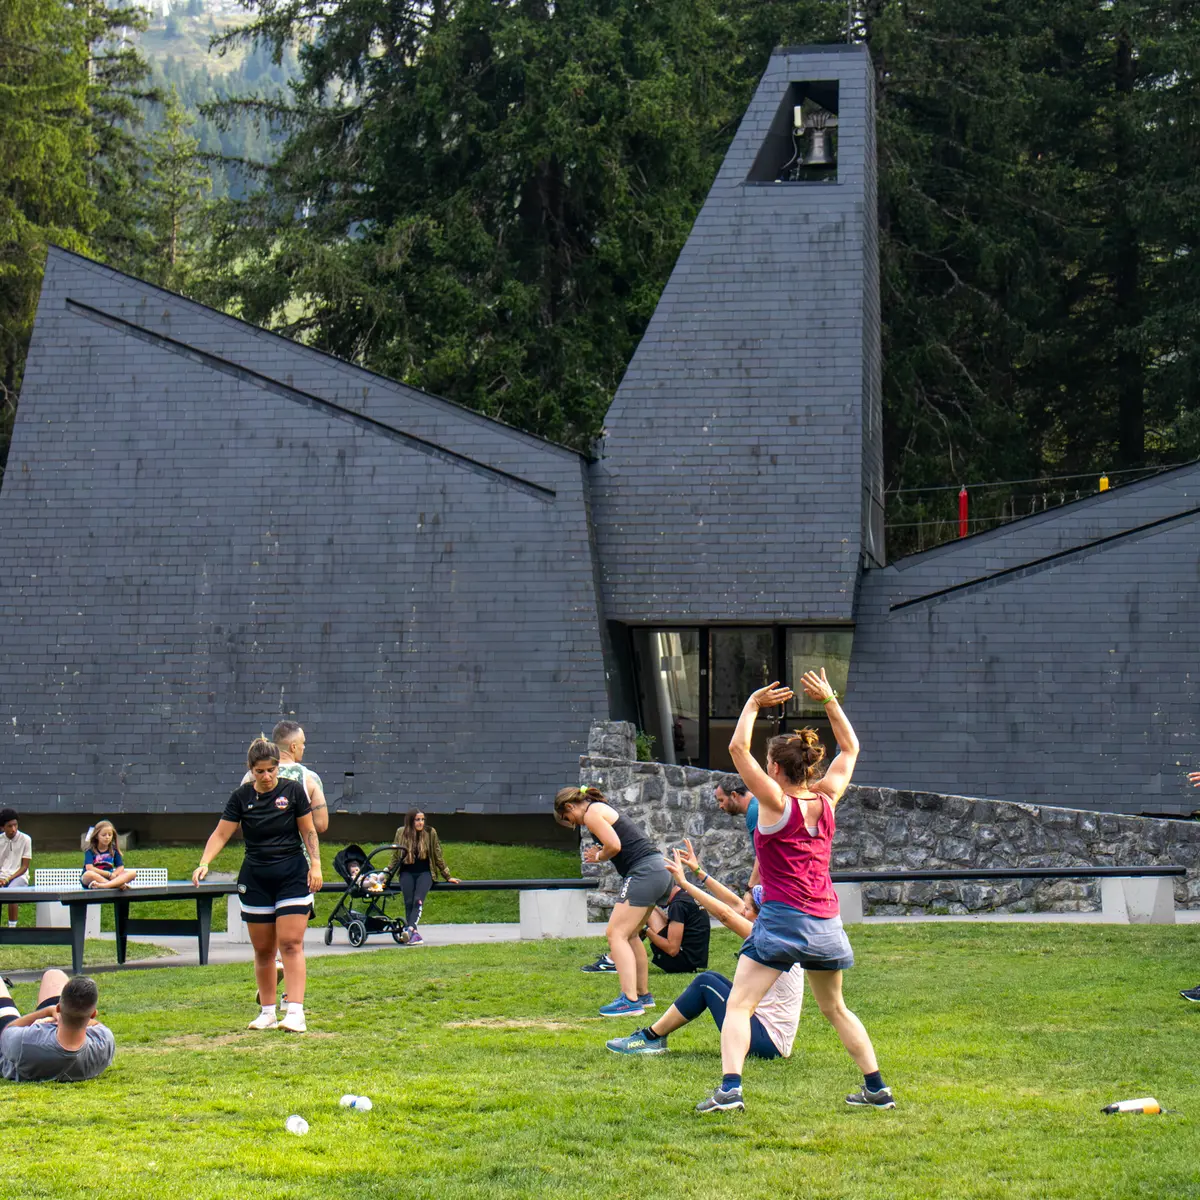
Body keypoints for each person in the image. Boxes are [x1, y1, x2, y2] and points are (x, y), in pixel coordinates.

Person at [695, 670, 895, 1114]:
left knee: (740, 1005)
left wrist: (750, 702)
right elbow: (851, 748)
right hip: (826, 919)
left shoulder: (773, 802)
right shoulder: (826, 798)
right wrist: (829, 699)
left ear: (774, 769)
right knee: (836, 1008)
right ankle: (876, 1087)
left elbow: (735, 748)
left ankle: (730, 1089)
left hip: (783, 920)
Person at [608, 848, 802, 1060]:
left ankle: (651, 1037)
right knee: (712, 979)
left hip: (767, 1042)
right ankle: (652, 1036)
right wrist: (700, 873)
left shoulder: (770, 937)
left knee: (706, 983)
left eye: (748, 910)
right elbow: (735, 906)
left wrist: (685, 884)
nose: (743, 913)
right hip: (760, 1029)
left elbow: (726, 915)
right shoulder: (776, 928)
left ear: (760, 915)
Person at [193, 736, 322, 1033]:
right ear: (251, 770)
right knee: (263, 949)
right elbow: (221, 834)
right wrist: (204, 862)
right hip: (256, 878)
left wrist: (316, 865)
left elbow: (309, 831)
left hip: (292, 875)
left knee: (290, 944)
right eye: (260, 771)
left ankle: (296, 1012)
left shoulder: (293, 792)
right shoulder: (240, 798)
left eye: (271, 770)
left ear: (278, 768)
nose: (266, 777)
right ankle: (267, 1012)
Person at [555, 785, 672, 1017]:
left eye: (569, 818)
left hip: (644, 872)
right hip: (659, 869)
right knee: (629, 935)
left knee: (615, 934)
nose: (574, 823)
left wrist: (599, 856)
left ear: (569, 806)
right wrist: (602, 852)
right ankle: (642, 995)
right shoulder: (599, 809)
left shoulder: (591, 814)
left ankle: (629, 1001)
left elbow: (615, 845)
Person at [0, 970, 115, 1082]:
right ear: (93, 1014)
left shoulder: (25, 1041)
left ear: (58, 1008)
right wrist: (58, 1019)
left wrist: (47, 1012)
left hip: (12, 1053)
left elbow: (7, 1030)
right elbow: (97, 1025)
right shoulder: (104, 1041)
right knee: (54, 974)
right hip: (59, 1027)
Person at [387, 809, 460, 946]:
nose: (421, 822)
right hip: (406, 871)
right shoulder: (400, 832)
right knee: (408, 901)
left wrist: (447, 875)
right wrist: (387, 873)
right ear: (410, 821)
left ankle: (410, 929)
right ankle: (413, 935)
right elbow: (395, 856)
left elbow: (437, 854)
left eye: (422, 819)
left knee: (417, 900)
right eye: (417, 820)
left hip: (425, 872)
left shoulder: (430, 833)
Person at [242, 720, 329, 835]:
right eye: (302, 743)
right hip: (297, 851)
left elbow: (240, 821)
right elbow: (321, 825)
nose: (303, 747)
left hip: (259, 851)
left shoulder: (252, 775)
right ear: (293, 747)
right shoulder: (310, 778)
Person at [642, 871, 710, 974]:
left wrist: (646, 930)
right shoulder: (686, 896)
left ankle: (620, 957)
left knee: (644, 908)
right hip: (694, 960)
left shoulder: (678, 905)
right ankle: (621, 956)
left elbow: (672, 950)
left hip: (683, 963)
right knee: (649, 907)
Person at [714, 773, 761, 887]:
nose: (720, 806)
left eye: (721, 800)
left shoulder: (754, 812)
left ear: (734, 795)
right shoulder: (756, 805)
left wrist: (750, 889)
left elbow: (762, 856)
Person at [80, 820, 138, 890]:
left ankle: (105, 886)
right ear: (96, 836)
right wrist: (108, 874)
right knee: (88, 874)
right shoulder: (90, 850)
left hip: (110, 878)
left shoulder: (114, 850)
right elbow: (89, 868)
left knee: (132, 873)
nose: (107, 837)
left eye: (109, 835)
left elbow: (120, 867)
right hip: (94, 879)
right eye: (104, 835)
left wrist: (114, 874)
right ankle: (115, 885)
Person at [0, 809, 31, 928]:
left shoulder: (26, 839)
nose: (13, 829)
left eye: (15, 825)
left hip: (19, 876)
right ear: (2, 827)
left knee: (11, 892)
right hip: (2, 876)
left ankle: (12, 927)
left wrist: (8, 879)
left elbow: (24, 867)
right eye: (9, 826)